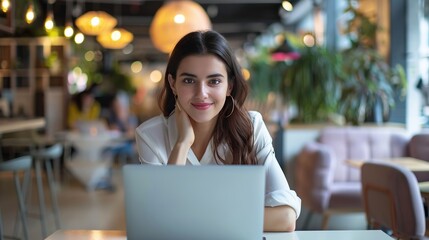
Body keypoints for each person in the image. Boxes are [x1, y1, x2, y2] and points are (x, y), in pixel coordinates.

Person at [135, 30, 301, 231]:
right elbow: (156, 222)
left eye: (214, 81)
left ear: (229, 86)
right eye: (189, 80)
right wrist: (182, 143)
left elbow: (285, 218)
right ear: (173, 84)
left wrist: (194, 217)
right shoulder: (150, 135)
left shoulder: (252, 126)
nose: (201, 93)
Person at [107, 91, 138, 163]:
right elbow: (109, 129)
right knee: (107, 151)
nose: (117, 108)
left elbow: (132, 134)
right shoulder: (112, 116)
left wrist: (123, 120)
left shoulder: (131, 117)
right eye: (115, 106)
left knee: (130, 148)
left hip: (128, 144)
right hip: (114, 144)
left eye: (119, 106)